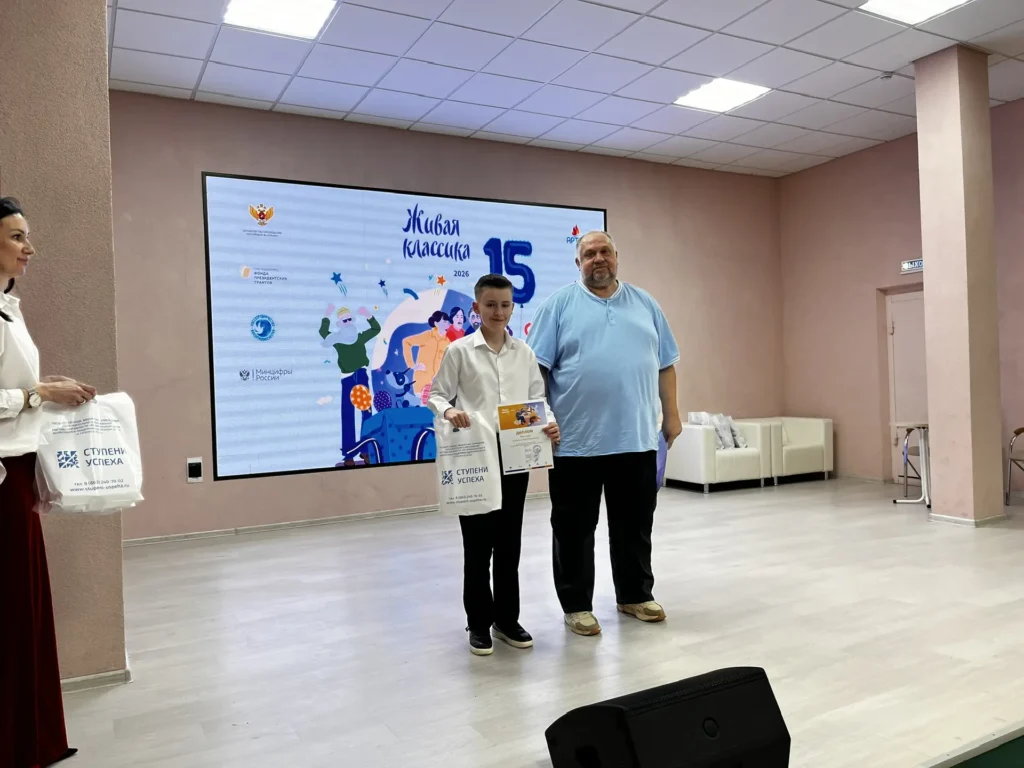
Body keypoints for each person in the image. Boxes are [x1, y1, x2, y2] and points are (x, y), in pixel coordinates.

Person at [527, 231, 682, 637]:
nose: (598, 258)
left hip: (636, 438)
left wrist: (672, 415)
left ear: (617, 257)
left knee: (635, 525)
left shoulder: (645, 304)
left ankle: (635, 595)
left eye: (605, 252)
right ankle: (576, 605)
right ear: (578, 263)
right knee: (573, 529)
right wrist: (542, 419)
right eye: (589, 253)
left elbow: (666, 363)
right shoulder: (558, 306)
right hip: (574, 442)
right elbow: (536, 370)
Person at [0, 197, 97, 767]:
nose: (29, 248)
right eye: (17, 236)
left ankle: (31, 740)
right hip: (1, 479)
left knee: (26, 607)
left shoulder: (9, 308)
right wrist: (39, 394)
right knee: (13, 609)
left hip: (17, 471)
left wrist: (45, 387)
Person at [428, 274, 560, 656]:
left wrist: (549, 421)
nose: (498, 312)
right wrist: (449, 411)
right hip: (476, 457)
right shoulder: (459, 352)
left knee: (508, 544)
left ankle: (506, 620)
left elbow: (537, 400)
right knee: (477, 546)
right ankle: (478, 623)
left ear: (512, 308)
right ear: (476, 308)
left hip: (515, 457)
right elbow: (437, 394)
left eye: (504, 305)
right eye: (490, 305)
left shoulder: (525, 353)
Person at [319, 305, 380, 461]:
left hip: (361, 375)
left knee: (366, 413)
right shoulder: (337, 340)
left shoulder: (359, 337)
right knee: (347, 415)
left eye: (349, 319)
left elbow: (376, 329)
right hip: (347, 378)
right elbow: (323, 333)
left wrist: (368, 315)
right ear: (339, 323)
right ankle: (348, 454)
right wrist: (326, 315)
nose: (347, 322)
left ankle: (365, 450)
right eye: (344, 320)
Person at [403, 310, 451, 399]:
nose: (447, 323)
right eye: (444, 321)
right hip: (422, 382)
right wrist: (411, 365)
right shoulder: (428, 336)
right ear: (436, 323)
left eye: (447, 321)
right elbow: (406, 342)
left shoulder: (448, 341)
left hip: (437, 385)